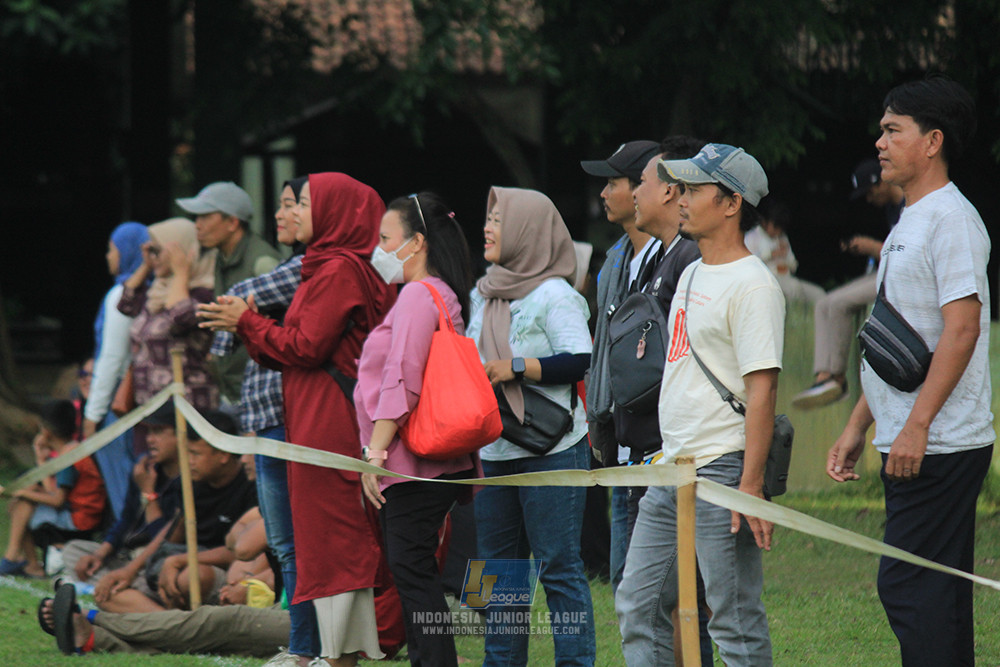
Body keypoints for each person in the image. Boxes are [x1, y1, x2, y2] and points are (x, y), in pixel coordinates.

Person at [199, 172, 396, 667]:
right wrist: (249, 327)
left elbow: (306, 347)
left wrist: (246, 321)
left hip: (330, 420)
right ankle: (328, 652)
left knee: (333, 539)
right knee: (316, 541)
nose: (295, 212)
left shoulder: (340, 271)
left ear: (336, 212)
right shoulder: (321, 267)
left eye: (305, 203)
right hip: (311, 414)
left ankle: (335, 655)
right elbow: (289, 350)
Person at [826, 77, 992, 667]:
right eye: (882, 130)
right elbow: (898, 339)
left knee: (909, 587)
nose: (880, 142)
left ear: (932, 142)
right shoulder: (909, 222)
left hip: (941, 443)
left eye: (894, 130)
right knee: (935, 593)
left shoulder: (951, 220)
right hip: (914, 435)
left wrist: (918, 426)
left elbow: (963, 329)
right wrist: (856, 424)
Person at [617, 143, 783, 666]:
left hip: (724, 469)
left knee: (732, 619)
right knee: (636, 605)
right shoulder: (689, 273)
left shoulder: (754, 285)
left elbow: (763, 390)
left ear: (731, 203)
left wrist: (749, 486)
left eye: (692, 189)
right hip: (673, 469)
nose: (681, 199)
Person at [467, 186, 596, 666]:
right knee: (498, 576)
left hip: (553, 448)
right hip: (496, 449)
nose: (488, 227)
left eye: (499, 220)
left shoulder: (554, 294)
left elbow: (579, 358)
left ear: (527, 230)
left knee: (558, 568)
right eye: (488, 218)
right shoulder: (484, 293)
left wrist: (516, 367)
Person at [357, 192, 480, 667]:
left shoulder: (417, 294)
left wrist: (376, 452)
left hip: (413, 463)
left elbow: (402, 377)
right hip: (435, 461)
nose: (380, 250)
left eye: (387, 239)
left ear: (417, 243)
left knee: (411, 574)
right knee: (415, 572)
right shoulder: (443, 293)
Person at [207, 176, 320, 665]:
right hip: (267, 421)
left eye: (294, 204)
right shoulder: (295, 264)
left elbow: (238, 301)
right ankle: (302, 647)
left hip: (293, 423)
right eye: (281, 205)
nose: (282, 214)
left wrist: (239, 320)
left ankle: (312, 647)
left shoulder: (319, 267)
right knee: (283, 544)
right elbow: (228, 312)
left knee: (298, 543)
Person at [580, 139, 662, 595]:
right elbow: (604, 354)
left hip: (658, 447)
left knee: (657, 598)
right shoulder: (615, 260)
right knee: (625, 592)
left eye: (613, 182)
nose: (603, 192)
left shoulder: (676, 260)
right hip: (621, 443)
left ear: (640, 191)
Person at [791, 159, 904, 408]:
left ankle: (838, 379)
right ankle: (823, 377)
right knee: (824, 303)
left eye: (869, 192)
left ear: (880, 183)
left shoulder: (911, 204)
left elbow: (908, 254)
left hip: (901, 279)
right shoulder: (891, 209)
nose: (868, 199)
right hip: (885, 271)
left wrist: (872, 247)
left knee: (840, 304)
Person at [176, 181, 281, 406]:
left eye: (205, 217)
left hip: (262, 394)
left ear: (233, 222)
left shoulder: (262, 262)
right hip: (233, 391)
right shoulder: (222, 256)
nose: (197, 225)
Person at [117, 218, 219, 440]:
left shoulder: (203, 293)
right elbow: (125, 303)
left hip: (187, 409)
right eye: (150, 250)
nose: (154, 257)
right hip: (149, 409)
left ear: (182, 251)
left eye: (158, 250)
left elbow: (180, 318)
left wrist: (181, 272)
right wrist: (146, 264)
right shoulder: (157, 291)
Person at [62, 402, 182, 585]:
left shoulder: (188, 482)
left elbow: (164, 540)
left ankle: (117, 588)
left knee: (157, 567)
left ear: (181, 436)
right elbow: (125, 519)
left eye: (158, 432)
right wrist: (99, 555)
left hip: (154, 557)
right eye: (148, 432)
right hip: (127, 556)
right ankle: (119, 587)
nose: (150, 440)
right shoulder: (144, 469)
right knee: (73, 550)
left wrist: (149, 493)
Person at [81, 222, 149, 522]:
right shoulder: (154, 289)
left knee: (122, 475)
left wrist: (92, 415)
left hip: (119, 401)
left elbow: (111, 358)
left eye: (112, 249)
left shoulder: (122, 295)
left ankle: (127, 538)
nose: (108, 256)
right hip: (143, 398)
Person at [0, 400, 106, 577]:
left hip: (79, 521)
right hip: (75, 512)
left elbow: (57, 500)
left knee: (24, 501)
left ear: (46, 431)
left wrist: (21, 492)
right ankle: (27, 563)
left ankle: (14, 559)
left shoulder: (69, 458)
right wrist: (41, 461)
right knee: (24, 499)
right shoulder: (71, 450)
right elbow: (53, 490)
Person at [746, 199, 825, 304]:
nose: (778, 231)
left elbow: (793, 265)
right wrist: (771, 254)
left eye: (780, 228)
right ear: (764, 221)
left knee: (819, 293)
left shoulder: (782, 238)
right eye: (775, 227)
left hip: (787, 278)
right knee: (793, 288)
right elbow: (748, 265)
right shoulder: (752, 237)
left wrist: (787, 258)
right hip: (766, 281)